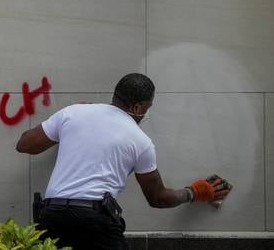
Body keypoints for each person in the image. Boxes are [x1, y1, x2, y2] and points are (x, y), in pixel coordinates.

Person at [16, 73, 231, 250]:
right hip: (95, 221)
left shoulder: (73, 113)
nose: (145, 114)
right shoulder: (140, 141)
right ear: (137, 108)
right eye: (147, 108)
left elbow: (24, 144)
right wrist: (194, 192)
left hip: (53, 216)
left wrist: (68, 128)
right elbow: (157, 198)